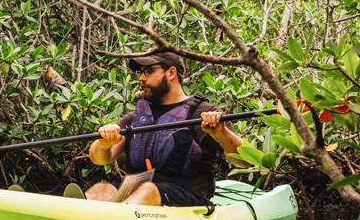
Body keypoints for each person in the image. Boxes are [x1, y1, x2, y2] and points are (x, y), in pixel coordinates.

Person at [86, 52, 246, 206]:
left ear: (171, 73)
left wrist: (221, 133)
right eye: (141, 73)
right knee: (101, 190)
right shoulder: (136, 118)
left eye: (149, 71)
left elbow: (245, 161)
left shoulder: (203, 113)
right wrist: (104, 144)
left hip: (187, 195)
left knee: (148, 190)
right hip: (137, 193)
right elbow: (98, 158)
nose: (141, 78)